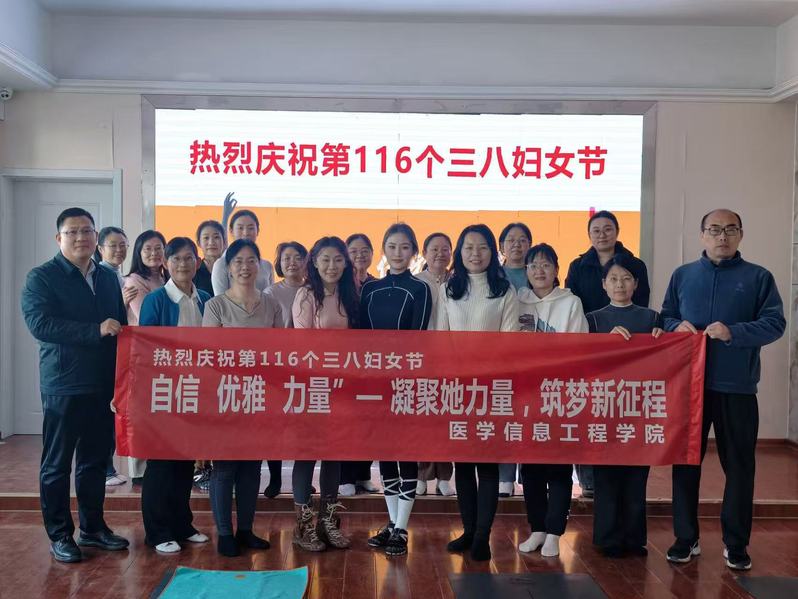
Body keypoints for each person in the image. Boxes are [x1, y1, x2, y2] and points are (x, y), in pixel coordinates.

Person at [661, 209, 785, 571]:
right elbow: (665, 316)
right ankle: (686, 538)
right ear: (702, 235)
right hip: (690, 387)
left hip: (738, 387)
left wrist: (734, 332)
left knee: (740, 467)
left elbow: (775, 323)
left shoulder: (758, 277)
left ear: (741, 235)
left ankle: (736, 543)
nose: (722, 237)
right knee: (686, 464)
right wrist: (675, 325)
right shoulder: (683, 275)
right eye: (714, 230)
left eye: (730, 230)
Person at [21, 207, 129, 563]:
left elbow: (120, 327)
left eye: (87, 231)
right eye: (73, 232)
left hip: (103, 384)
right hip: (64, 384)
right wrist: (94, 330)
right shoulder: (42, 277)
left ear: (96, 237)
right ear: (59, 238)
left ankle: (93, 528)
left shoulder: (108, 277)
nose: (81, 237)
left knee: (95, 462)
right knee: (57, 464)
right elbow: (41, 325)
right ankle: (60, 535)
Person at [436, 224, 519, 562]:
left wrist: (485, 374)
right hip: (457, 388)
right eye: (468, 247)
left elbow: (510, 341)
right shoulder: (449, 288)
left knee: (486, 464)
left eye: (482, 247)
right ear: (460, 251)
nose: (475, 253)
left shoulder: (504, 290)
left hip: (490, 388)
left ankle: (483, 535)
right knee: (463, 463)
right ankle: (468, 531)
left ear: (492, 252)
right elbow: (441, 337)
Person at [203, 239, 282, 556]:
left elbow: (281, 353)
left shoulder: (271, 305)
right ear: (228, 267)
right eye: (238, 261)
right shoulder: (215, 306)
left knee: (251, 467)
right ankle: (225, 533)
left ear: (259, 266)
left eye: (251, 261)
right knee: (225, 467)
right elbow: (211, 355)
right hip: (226, 395)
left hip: (261, 395)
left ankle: (246, 530)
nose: (245, 267)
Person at [565, 210, 650, 499]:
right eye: (596, 230)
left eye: (607, 229)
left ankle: (625, 474)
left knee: (623, 412)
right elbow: (572, 303)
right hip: (591, 342)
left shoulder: (635, 264)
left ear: (617, 231)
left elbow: (642, 304)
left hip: (628, 350)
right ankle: (588, 480)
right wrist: (595, 333)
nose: (602, 234)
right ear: (589, 235)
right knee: (590, 413)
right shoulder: (578, 266)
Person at [361, 223, 433, 558]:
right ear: (384, 250)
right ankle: (392, 523)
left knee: (405, 452)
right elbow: (361, 339)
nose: (398, 253)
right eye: (392, 246)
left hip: (405, 383)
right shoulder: (370, 289)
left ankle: (403, 527)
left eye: (405, 247)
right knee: (385, 452)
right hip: (374, 384)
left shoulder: (420, 289)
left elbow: (417, 340)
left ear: (414, 251)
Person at [586, 254, 663, 558]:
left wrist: (661, 340)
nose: (620, 284)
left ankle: (634, 538)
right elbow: (584, 360)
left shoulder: (652, 319)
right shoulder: (592, 319)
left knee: (636, 475)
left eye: (626, 278)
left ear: (636, 284)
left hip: (640, 407)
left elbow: (664, 361)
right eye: (614, 279)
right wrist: (604, 342)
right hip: (604, 406)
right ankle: (608, 538)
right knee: (606, 476)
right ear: (604, 285)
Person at [138, 237, 211, 554]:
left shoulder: (205, 299)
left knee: (185, 462)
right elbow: (146, 347)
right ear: (165, 264)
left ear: (198, 262)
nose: (183, 264)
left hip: (195, 391)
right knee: (161, 463)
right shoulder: (156, 300)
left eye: (189, 258)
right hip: (164, 391)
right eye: (177, 259)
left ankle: (182, 524)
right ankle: (157, 531)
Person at [517, 243, 587, 558]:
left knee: (558, 465)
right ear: (526, 270)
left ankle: (555, 531)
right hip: (526, 393)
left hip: (559, 392)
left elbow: (578, 348)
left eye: (546, 265)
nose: (539, 271)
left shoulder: (570, 302)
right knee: (530, 465)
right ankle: (537, 528)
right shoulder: (518, 300)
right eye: (533, 265)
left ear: (557, 269)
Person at [290, 236, 359, 552]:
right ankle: (303, 527)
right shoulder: (306, 295)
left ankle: (327, 522)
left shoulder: (351, 294)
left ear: (346, 263)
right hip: (312, 387)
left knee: (334, 454)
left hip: (343, 388)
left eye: (338, 259)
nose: (332, 266)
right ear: (315, 263)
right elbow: (303, 346)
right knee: (307, 454)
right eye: (326, 259)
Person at [261, 241, 308, 499]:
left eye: (297, 257)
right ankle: (276, 478)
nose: (292, 262)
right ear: (279, 262)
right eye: (286, 257)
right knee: (275, 425)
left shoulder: (312, 290)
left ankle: (303, 479)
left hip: (307, 366)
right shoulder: (270, 292)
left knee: (303, 424)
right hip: (278, 366)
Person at [122, 230, 167, 482]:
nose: (154, 253)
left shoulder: (167, 277)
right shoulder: (134, 280)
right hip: (142, 355)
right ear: (138, 253)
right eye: (147, 249)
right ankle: (139, 470)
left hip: (166, 355)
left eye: (158, 248)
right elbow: (147, 318)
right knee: (141, 411)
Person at [415, 232, 456, 497]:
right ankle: (422, 474)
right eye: (434, 249)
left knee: (446, 419)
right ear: (424, 253)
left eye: (445, 249)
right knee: (424, 419)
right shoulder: (418, 282)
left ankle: (444, 477)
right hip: (423, 359)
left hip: (452, 359)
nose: (440, 254)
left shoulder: (458, 283)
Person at [339, 233, 379, 495]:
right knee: (347, 420)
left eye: (365, 250)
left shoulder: (377, 284)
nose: (359, 255)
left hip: (372, 362)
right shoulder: (340, 286)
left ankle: (363, 474)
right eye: (353, 251)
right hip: (345, 362)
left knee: (369, 419)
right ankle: (345, 477)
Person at [95, 226, 133, 487]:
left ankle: (108, 467)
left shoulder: (117, 275)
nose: (119, 250)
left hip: (118, 354)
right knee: (103, 415)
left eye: (123, 245)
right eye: (113, 245)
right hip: (103, 355)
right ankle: (105, 469)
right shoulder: (102, 276)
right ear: (100, 249)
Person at [211, 209, 274, 295]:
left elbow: (269, 298)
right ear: (231, 231)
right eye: (240, 228)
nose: (246, 233)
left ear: (258, 231)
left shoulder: (267, 266)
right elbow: (220, 300)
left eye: (251, 228)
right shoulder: (221, 264)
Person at [193, 220, 226, 297]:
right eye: (206, 238)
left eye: (216, 237)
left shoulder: (232, 268)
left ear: (224, 241)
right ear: (198, 243)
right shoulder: (194, 271)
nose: (211, 242)